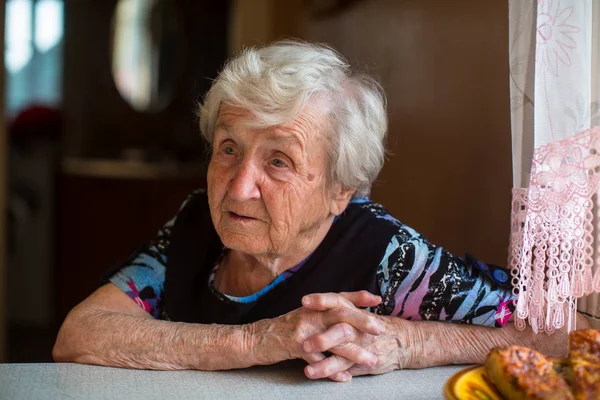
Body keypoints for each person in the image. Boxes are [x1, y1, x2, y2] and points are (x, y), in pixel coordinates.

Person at [53, 40, 588, 382]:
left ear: (340, 190)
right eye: (228, 148)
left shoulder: (385, 253)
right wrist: (256, 340)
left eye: (279, 161)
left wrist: (406, 342)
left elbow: (560, 333)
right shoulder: (196, 223)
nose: (239, 188)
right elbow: (79, 334)